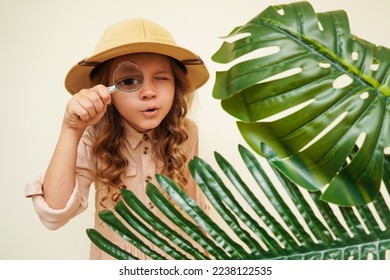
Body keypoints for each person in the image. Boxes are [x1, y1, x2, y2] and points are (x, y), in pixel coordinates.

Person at [25, 17, 210, 260]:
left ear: (177, 84)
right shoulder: (94, 137)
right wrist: (71, 130)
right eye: (130, 81)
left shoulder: (186, 132)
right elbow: (54, 214)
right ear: (105, 91)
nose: (149, 92)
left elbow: (195, 211)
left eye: (162, 78)